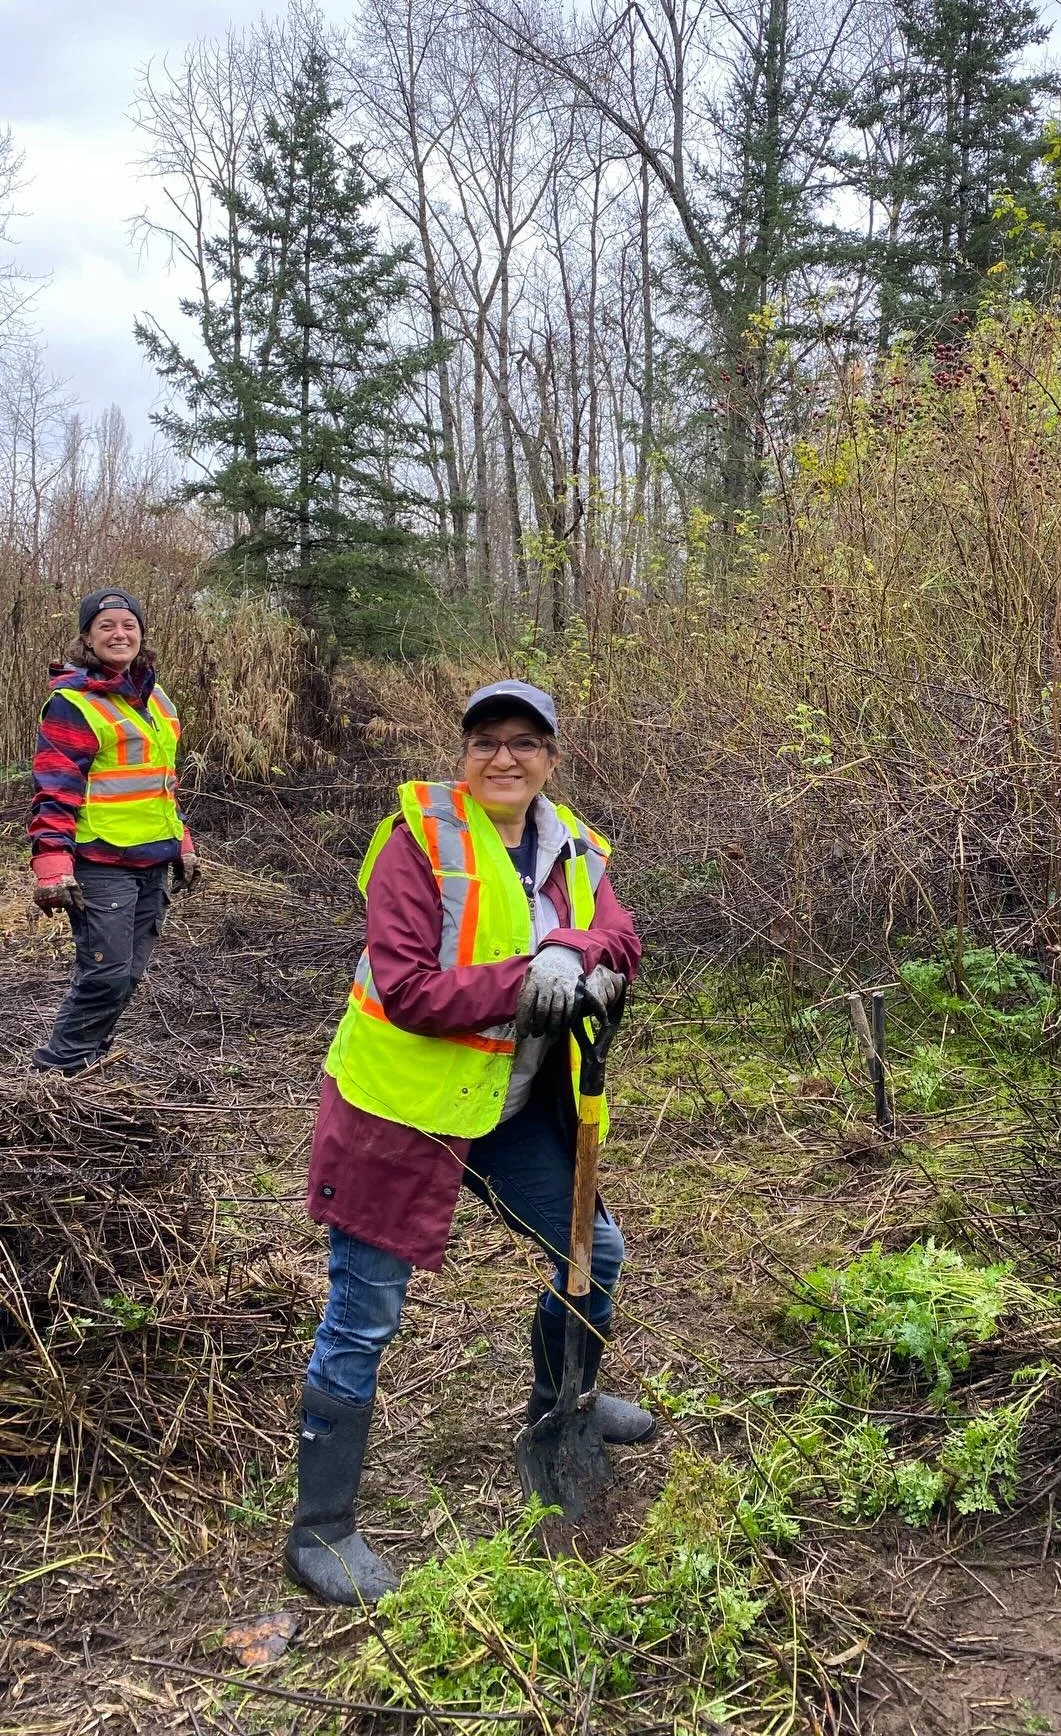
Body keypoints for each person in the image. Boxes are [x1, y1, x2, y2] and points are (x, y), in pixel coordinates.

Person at [285, 678, 648, 1606]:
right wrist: (528, 979)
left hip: (512, 1108)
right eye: (486, 741)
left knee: (595, 1253)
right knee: (364, 1314)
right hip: (402, 1113)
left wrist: (575, 952)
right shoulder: (418, 841)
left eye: (525, 742)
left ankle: (561, 1407)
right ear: (464, 754)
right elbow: (405, 986)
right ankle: (321, 1528)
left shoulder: (574, 847)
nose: (504, 758)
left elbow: (619, 935)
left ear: (551, 758)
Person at [29, 587, 198, 1075]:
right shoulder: (73, 704)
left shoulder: (156, 698)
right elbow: (54, 790)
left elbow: (162, 782)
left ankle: (88, 1061)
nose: (119, 634)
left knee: (128, 974)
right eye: (106, 626)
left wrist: (183, 843)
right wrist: (52, 866)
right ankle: (56, 1071)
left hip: (154, 859)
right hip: (101, 862)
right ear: (87, 637)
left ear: (141, 633)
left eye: (128, 625)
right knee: (105, 974)